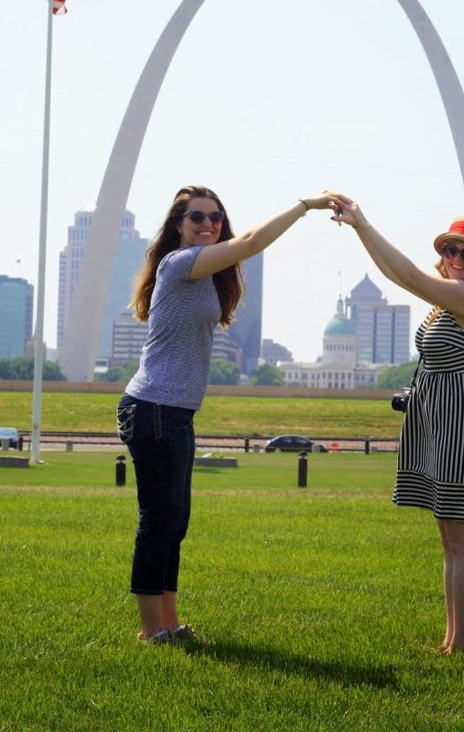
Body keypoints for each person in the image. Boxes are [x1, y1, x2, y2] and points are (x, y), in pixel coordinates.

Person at [117, 184, 340, 644]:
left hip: (174, 412)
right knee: (157, 521)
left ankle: (170, 624)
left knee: (175, 521)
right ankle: (149, 630)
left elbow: (242, 249)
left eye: (215, 217)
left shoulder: (205, 272)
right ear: (178, 225)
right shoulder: (178, 264)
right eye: (197, 217)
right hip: (154, 407)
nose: (208, 224)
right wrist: (304, 205)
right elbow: (254, 243)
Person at [329, 198, 464, 654]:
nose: (456, 259)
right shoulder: (442, 303)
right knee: (449, 537)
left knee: (462, 538)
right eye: (450, 250)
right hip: (437, 418)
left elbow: (404, 276)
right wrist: (362, 231)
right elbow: (398, 275)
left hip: (463, 420)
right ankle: (451, 639)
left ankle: (463, 644)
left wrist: (363, 223)